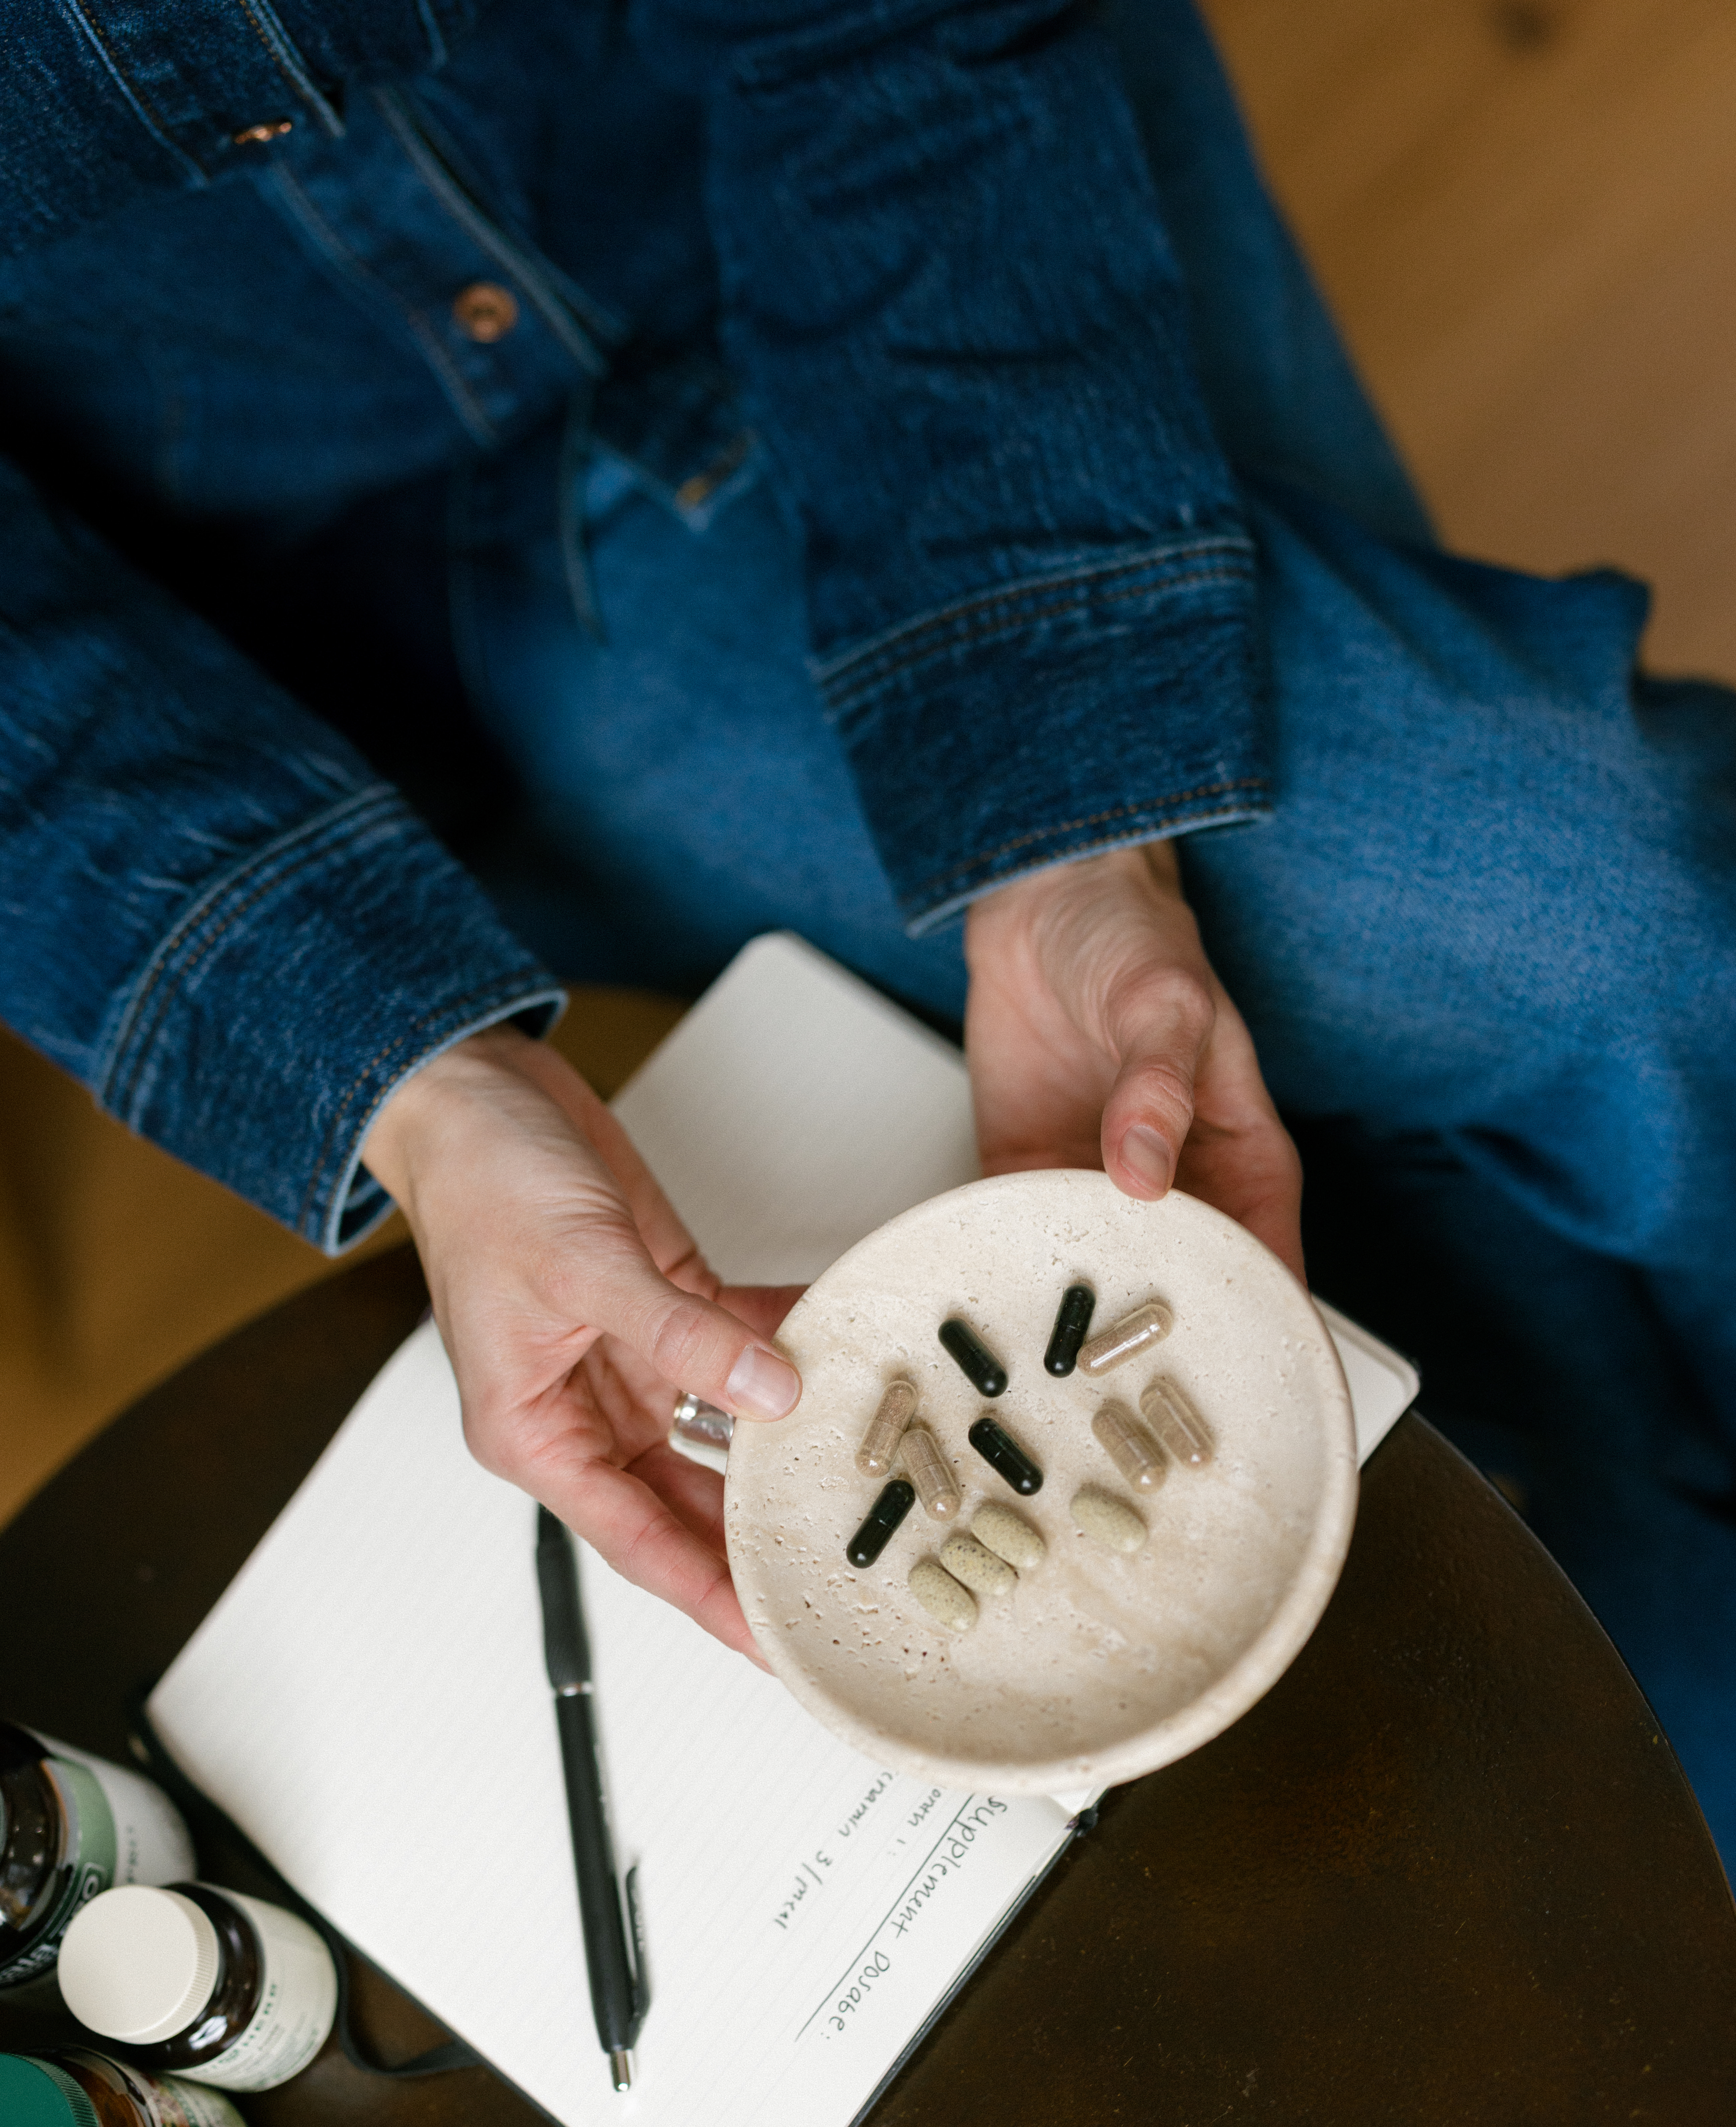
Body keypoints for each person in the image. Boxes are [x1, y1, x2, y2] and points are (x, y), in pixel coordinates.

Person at [2, 4, 1732, 1829]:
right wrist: (420, 1096)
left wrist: (1074, 837)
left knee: (1604, 917)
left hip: (871, 148)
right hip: (349, 576)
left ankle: (1636, 1638)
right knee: (1470, 1038)